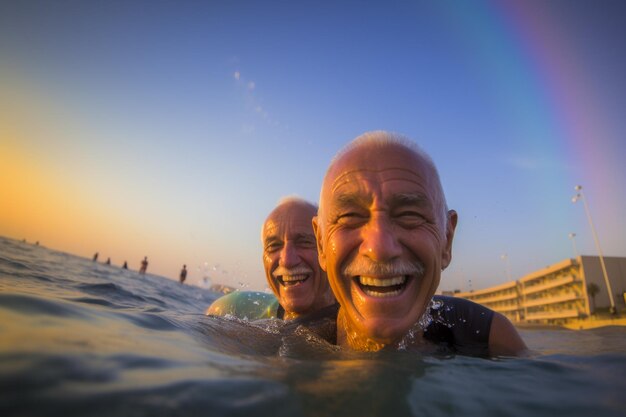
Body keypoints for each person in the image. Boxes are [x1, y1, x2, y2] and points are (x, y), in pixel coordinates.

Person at [312, 131, 527, 356]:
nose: (380, 248)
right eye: (349, 217)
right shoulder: (283, 347)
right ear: (320, 244)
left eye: (409, 215)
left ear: (447, 240)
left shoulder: (488, 338)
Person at [207, 197, 337, 324]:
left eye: (304, 242)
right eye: (274, 246)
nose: (287, 261)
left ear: (329, 250)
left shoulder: (354, 330)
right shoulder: (233, 310)